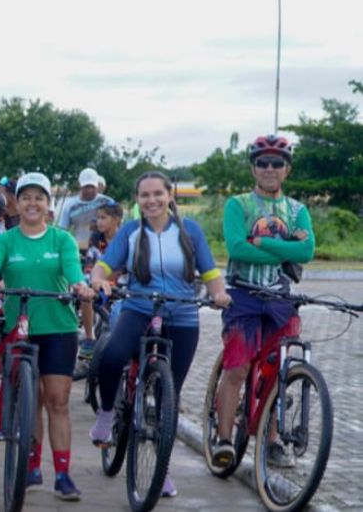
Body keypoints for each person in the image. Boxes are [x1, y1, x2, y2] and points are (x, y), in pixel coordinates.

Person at [87, 172, 227, 498]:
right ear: (137, 200)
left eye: (157, 194)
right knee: (112, 356)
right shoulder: (131, 231)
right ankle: (107, 414)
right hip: (139, 307)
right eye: (144, 195)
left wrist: (219, 294)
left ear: (169, 195)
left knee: (169, 396)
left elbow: (209, 272)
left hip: (182, 312)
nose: (151, 200)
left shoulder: (189, 230)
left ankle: (160, 471)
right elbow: (105, 267)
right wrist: (99, 280)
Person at [0, 172, 93, 501]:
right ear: (16, 204)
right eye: (26, 197)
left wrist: (79, 285)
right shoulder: (6, 240)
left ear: (48, 205)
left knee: (58, 401)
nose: (32, 203)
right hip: (19, 329)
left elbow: (73, 269)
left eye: (39, 197)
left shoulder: (61, 239)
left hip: (59, 329)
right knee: (30, 399)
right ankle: (31, 465)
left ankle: (62, 474)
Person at [212, 135, 316, 470]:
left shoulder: (298, 210)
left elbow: (307, 252)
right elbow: (236, 249)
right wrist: (284, 243)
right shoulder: (238, 205)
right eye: (262, 162)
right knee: (238, 367)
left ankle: (270, 439)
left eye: (277, 163)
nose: (269, 169)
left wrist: (258, 239)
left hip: (281, 299)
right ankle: (224, 440)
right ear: (253, 168)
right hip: (242, 295)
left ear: (287, 169)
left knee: (277, 371)